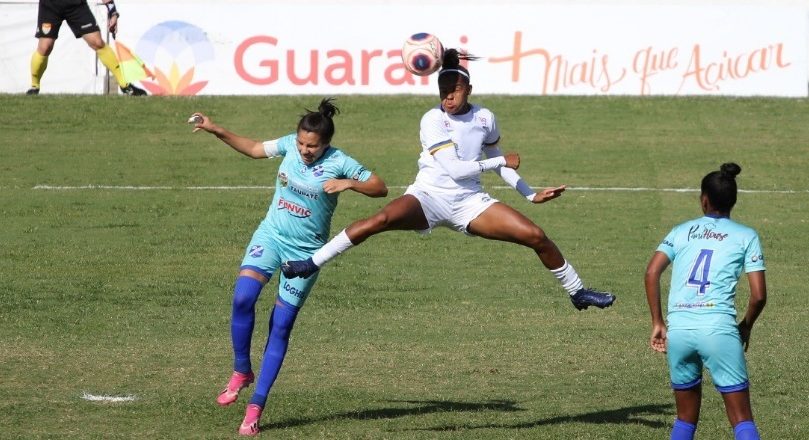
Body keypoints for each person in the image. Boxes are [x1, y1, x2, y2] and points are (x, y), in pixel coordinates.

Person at [282, 49, 616, 311]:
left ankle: (577, 291)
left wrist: (529, 194)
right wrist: (501, 159)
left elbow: (495, 163)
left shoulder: (485, 118)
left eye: (453, 91)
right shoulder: (432, 120)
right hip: (428, 197)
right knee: (378, 220)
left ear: (468, 89)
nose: (447, 98)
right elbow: (459, 169)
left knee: (536, 236)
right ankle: (311, 264)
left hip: (470, 203)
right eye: (442, 92)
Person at [191, 98, 388, 436]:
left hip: (307, 252)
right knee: (242, 298)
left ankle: (256, 406)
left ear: (325, 144)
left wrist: (350, 183)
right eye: (300, 143)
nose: (304, 150)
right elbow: (254, 149)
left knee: (280, 326)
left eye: (312, 146)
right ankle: (241, 370)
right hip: (271, 235)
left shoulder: (340, 161)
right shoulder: (288, 146)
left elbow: (380, 187)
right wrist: (216, 130)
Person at [645, 162, 767, 440]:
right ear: (733, 201)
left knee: (684, 421)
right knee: (742, 421)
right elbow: (759, 295)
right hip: (719, 331)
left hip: (680, 333)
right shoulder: (747, 236)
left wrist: (657, 322)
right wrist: (746, 326)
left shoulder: (681, 231)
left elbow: (652, 272)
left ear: (704, 200)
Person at [27, 0, 146, 95]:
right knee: (45, 47)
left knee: (97, 42)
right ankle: (34, 86)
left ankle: (125, 85)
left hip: (76, 5)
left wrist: (112, 12)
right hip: (51, 5)